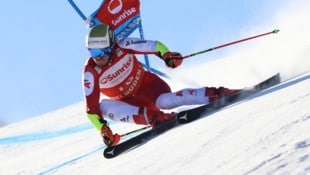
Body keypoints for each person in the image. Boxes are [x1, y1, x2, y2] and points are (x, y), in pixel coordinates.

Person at [82, 24, 240, 147]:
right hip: (129, 104)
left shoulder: (122, 45)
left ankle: (218, 94)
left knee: (166, 101)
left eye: (101, 52)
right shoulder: (90, 71)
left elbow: (153, 45)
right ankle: (156, 118)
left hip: (149, 88)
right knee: (102, 107)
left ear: (111, 46)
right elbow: (91, 109)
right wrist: (104, 130)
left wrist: (167, 55)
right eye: (93, 52)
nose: (97, 58)